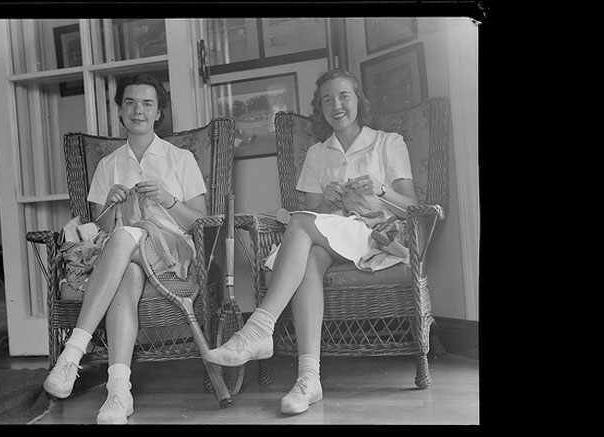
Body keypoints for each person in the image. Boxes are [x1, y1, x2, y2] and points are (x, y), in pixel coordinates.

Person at [204, 68, 418, 415]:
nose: (336, 105)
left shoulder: (387, 142)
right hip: (334, 236)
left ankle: (258, 328)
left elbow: (413, 206)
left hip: (377, 237)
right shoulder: (318, 154)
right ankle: (309, 379)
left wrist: (380, 189)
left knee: (302, 225)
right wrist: (330, 202)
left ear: (358, 100)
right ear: (320, 109)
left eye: (343, 96)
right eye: (327, 100)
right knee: (308, 259)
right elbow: (314, 213)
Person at [42, 74, 208, 425]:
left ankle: (72, 352)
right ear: (120, 111)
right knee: (126, 272)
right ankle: (119, 391)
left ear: (159, 113)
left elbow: (199, 221)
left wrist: (169, 199)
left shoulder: (181, 159)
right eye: (130, 102)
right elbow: (98, 231)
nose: (138, 110)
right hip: (124, 258)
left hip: (171, 253)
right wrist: (110, 204)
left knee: (122, 239)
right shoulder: (108, 165)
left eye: (147, 104)